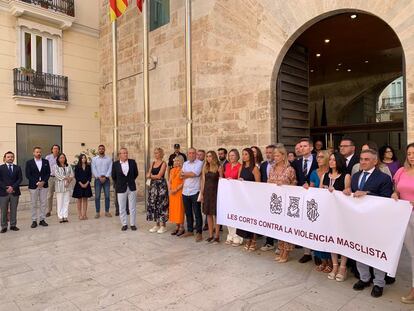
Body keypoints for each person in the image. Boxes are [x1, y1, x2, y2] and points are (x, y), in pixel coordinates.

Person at [344, 149, 393, 298]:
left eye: (366, 159)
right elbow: (352, 195)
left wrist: (368, 194)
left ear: (375, 161)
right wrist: (347, 191)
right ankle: (364, 278)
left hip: (376, 222)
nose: (363, 162)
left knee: (376, 251)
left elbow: (386, 200)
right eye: (361, 159)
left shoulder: (384, 178)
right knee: (360, 249)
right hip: (358, 221)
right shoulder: (356, 176)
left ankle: (379, 283)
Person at [321, 152, 351, 282]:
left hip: (342, 214)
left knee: (342, 240)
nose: (331, 162)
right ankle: (334, 266)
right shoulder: (324, 176)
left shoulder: (346, 176)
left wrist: (345, 191)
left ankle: (343, 267)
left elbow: (348, 193)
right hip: (328, 213)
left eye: (334, 160)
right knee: (332, 240)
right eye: (330, 159)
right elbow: (319, 193)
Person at [391, 143, 414, 304]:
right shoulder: (401, 171)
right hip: (405, 217)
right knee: (413, 255)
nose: (412, 156)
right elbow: (397, 189)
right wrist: (394, 193)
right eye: (409, 153)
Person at [267, 144, 297, 262]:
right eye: (274, 155)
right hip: (275, 203)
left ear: (283, 155)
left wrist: (286, 186)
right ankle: (280, 249)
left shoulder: (290, 169)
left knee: (286, 227)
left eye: (277, 155)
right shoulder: (272, 168)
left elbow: (295, 184)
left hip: (287, 203)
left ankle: (286, 252)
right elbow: (268, 182)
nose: (275, 157)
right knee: (279, 227)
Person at [291, 138, 318, 263]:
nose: (302, 148)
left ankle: (318, 254)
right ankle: (306, 252)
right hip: (301, 197)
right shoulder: (296, 162)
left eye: (305, 146)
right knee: (304, 223)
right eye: (300, 146)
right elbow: (294, 178)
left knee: (315, 223)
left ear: (311, 148)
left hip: (316, 198)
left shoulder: (318, 160)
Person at [304, 150, 331, 272]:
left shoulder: (331, 173)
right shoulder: (314, 173)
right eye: (318, 157)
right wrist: (307, 187)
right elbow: (312, 188)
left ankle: (331, 262)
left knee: (328, 234)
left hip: (330, 207)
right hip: (317, 207)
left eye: (321, 157)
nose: (318, 159)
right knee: (318, 233)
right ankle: (323, 261)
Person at [236, 148, 260, 251]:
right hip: (243, 198)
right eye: (243, 154)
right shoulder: (241, 167)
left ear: (250, 155)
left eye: (246, 154)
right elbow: (238, 180)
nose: (244, 156)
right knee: (245, 220)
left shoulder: (255, 169)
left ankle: (253, 240)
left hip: (252, 198)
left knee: (252, 220)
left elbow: (258, 185)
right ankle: (247, 240)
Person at [112, 148, 138, 231]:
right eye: (124, 153)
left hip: (131, 187)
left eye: (126, 153)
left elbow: (136, 174)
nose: (126, 154)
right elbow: (114, 176)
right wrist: (120, 183)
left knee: (132, 207)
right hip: (120, 187)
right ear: (120, 155)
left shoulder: (132, 162)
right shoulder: (115, 164)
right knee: (122, 207)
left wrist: (129, 181)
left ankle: (133, 224)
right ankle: (124, 224)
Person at [181, 148, 204, 242]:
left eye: (193, 153)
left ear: (196, 154)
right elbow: (181, 175)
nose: (191, 155)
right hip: (185, 191)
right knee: (188, 212)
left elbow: (195, 173)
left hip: (195, 191)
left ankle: (199, 233)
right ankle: (190, 230)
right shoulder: (185, 163)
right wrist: (189, 174)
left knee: (197, 212)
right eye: (189, 153)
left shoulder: (200, 163)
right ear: (187, 154)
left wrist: (188, 174)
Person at [26, 147, 50, 228]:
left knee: (43, 203)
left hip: (44, 185)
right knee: (33, 203)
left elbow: (48, 173)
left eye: (40, 152)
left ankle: (42, 219)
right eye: (37, 152)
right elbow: (28, 175)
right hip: (33, 186)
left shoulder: (46, 162)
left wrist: (43, 182)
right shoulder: (29, 162)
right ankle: (34, 220)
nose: (38, 153)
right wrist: (37, 182)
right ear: (33, 153)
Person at [222, 149, 243, 246]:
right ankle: (230, 235)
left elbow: (239, 180)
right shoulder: (226, 165)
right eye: (230, 155)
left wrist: (232, 181)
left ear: (237, 156)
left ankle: (237, 236)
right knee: (228, 214)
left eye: (233, 155)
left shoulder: (240, 166)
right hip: (227, 193)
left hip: (235, 193)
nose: (231, 157)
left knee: (235, 215)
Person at [200, 151, 220, 244]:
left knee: (216, 214)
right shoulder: (205, 167)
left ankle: (217, 236)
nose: (208, 158)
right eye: (207, 156)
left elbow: (222, 180)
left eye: (210, 156)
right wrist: (202, 193)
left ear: (214, 157)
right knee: (208, 214)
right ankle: (211, 235)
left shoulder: (219, 167)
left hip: (216, 193)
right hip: (207, 193)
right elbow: (203, 181)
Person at [146, 148, 169, 234]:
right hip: (153, 186)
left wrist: (150, 176)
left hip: (161, 186)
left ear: (161, 154)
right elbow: (147, 174)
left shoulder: (164, 163)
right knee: (154, 204)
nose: (156, 155)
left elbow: (159, 176)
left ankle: (163, 225)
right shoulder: (153, 163)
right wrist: (151, 175)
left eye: (157, 153)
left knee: (162, 204)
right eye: (155, 153)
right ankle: (157, 224)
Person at [0, 151, 22, 233]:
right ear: (5, 158)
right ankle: (4, 226)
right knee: (3, 210)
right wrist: (6, 188)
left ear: (14, 158)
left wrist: (12, 187)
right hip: (3, 192)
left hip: (14, 192)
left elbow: (20, 179)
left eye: (12, 157)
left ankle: (13, 225)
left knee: (14, 209)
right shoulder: (1, 167)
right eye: (8, 157)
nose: (10, 158)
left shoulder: (17, 168)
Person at [260, 145, 276, 252]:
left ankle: (280, 244)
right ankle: (269, 242)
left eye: (270, 152)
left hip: (277, 196)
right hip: (266, 195)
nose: (268, 154)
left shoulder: (281, 165)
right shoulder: (263, 165)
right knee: (268, 219)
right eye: (267, 152)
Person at [91, 145, 113, 218]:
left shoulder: (109, 159)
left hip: (106, 179)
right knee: (97, 196)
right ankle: (97, 212)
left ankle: (107, 211)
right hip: (98, 179)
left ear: (104, 150)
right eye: (100, 149)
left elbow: (110, 168)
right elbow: (93, 169)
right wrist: (99, 177)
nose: (101, 150)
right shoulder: (94, 159)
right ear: (98, 150)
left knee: (107, 196)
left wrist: (106, 176)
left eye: (102, 149)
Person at [54, 153, 74, 223]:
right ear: (58, 159)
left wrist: (69, 180)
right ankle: (60, 216)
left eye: (63, 158)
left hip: (67, 186)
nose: (62, 159)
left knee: (66, 201)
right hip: (60, 187)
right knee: (60, 202)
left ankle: (65, 216)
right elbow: (57, 175)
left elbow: (72, 174)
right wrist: (66, 178)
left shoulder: (68, 166)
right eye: (61, 158)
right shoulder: (56, 166)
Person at [168, 156, 185, 236]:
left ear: (181, 162)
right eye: (175, 161)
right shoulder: (172, 170)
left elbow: (184, 182)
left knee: (180, 209)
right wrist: (170, 189)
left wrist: (176, 189)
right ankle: (177, 226)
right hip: (172, 193)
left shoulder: (183, 170)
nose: (176, 162)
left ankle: (182, 227)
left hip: (179, 192)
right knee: (174, 209)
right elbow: (170, 181)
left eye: (178, 161)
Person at [72, 154, 92, 220]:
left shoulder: (88, 166)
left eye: (85, 158)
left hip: (87, 184)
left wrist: (86, 183)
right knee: (79, 200)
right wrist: (81, 184)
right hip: (79, 185)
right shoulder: (77, 167)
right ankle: (80, 214)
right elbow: (76, 176)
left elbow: (90, 176)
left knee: (85, 200)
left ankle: (84, 214)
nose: (84, 159)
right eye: (82, 158)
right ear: (80, 159)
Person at [45, 144, 60, 217]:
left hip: (58, 178)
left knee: (59, 194)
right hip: (50, 178)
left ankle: (59, 210)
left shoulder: (60, 157)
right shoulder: (48, 157)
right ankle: (49, 210)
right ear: (52, 150)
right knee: (50, 195)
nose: (55, 150)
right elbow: (45, 168)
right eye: (54, 148)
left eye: (57, 148)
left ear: (59, 150)